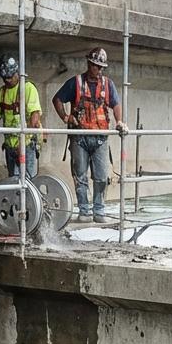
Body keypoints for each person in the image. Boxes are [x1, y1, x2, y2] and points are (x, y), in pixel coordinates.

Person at [51, 47, 128, 223]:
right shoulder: (76, 83)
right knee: (80, 176)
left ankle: (99, 211)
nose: (99, 70)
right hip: (80, 138)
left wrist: (119, 121)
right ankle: (84, 211)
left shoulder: (107, 85)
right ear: (89, 64)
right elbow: (57, 99)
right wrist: (65, 116)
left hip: (100, 138)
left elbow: (115, 104)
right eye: (96, 66)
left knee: (101, 176)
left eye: (102, 67)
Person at [0, 54, 44, 179]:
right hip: (10, 146)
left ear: (18, 72)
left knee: (29, 182)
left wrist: (22, 142)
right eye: (4, 77)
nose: (7, 80)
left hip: (26, 145)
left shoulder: (27, 88)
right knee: (13, 181)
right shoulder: (2, 92)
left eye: (10, 76)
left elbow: (35, 118)